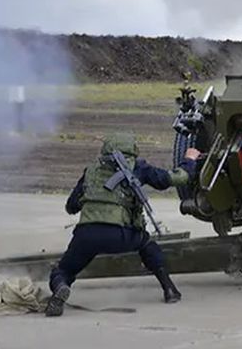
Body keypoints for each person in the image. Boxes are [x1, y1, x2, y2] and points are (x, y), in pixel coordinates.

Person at [45, 132, 202, 317]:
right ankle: (169, 290)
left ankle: (60, 288)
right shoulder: (139, 167)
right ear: (133, 149)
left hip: (86, 235)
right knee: (147, 244)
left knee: (63, 270)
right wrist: (189, 160)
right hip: (121, 236)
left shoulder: (91, 171)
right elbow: (177, 178)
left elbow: (71, 206)